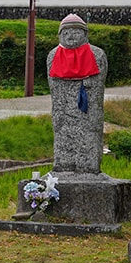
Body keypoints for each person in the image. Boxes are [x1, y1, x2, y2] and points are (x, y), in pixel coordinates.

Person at [46, 14, 107, 175]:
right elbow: (54, 89)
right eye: (65, 32)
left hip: (87, 110)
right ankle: (63, 164)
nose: (70, 36)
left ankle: (89, 167)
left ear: (85, 34)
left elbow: (97, 89)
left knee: (88, 140)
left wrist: (93, 113)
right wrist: (58, 112)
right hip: (64, 110)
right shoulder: (53, 56)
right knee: (63, 139)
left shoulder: (97, 55)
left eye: (75, 31)